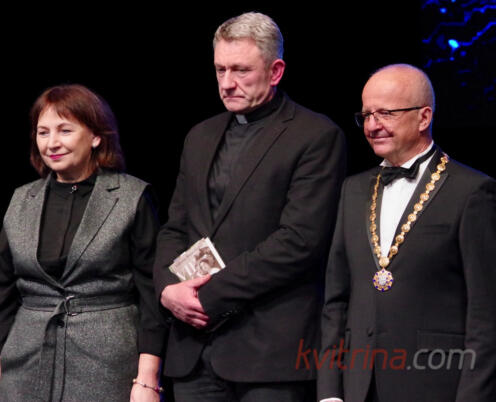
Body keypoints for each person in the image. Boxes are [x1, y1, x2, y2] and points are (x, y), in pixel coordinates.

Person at [153, 12, 346, 402]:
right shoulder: (200, 136)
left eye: (241, 70)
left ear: (276, 71)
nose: (227, 83)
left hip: (268, 351)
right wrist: (168, 289)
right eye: (220, 70)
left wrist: (206, 295)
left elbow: (299, 241)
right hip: (194, 351)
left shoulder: (315, 136)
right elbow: (176, 227)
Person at [318, 64, 496, 402]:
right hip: (358, 387)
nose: (372, 125)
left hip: (435, 385)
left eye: (385, 113)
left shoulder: (472, 192)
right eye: (366, 115)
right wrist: (329, 392)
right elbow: (335, 300)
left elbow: (486, 314)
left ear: (423, 117)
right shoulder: (352, 190)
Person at [0, 85, 167, 402]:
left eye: (65, 130)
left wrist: (147, 379)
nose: (51, 143)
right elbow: (2, 296)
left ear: (96, 136)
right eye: (43, 132)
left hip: (106, 364)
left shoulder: (131, 196)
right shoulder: (21, 200)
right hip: (25, 365)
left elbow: (151, 294)